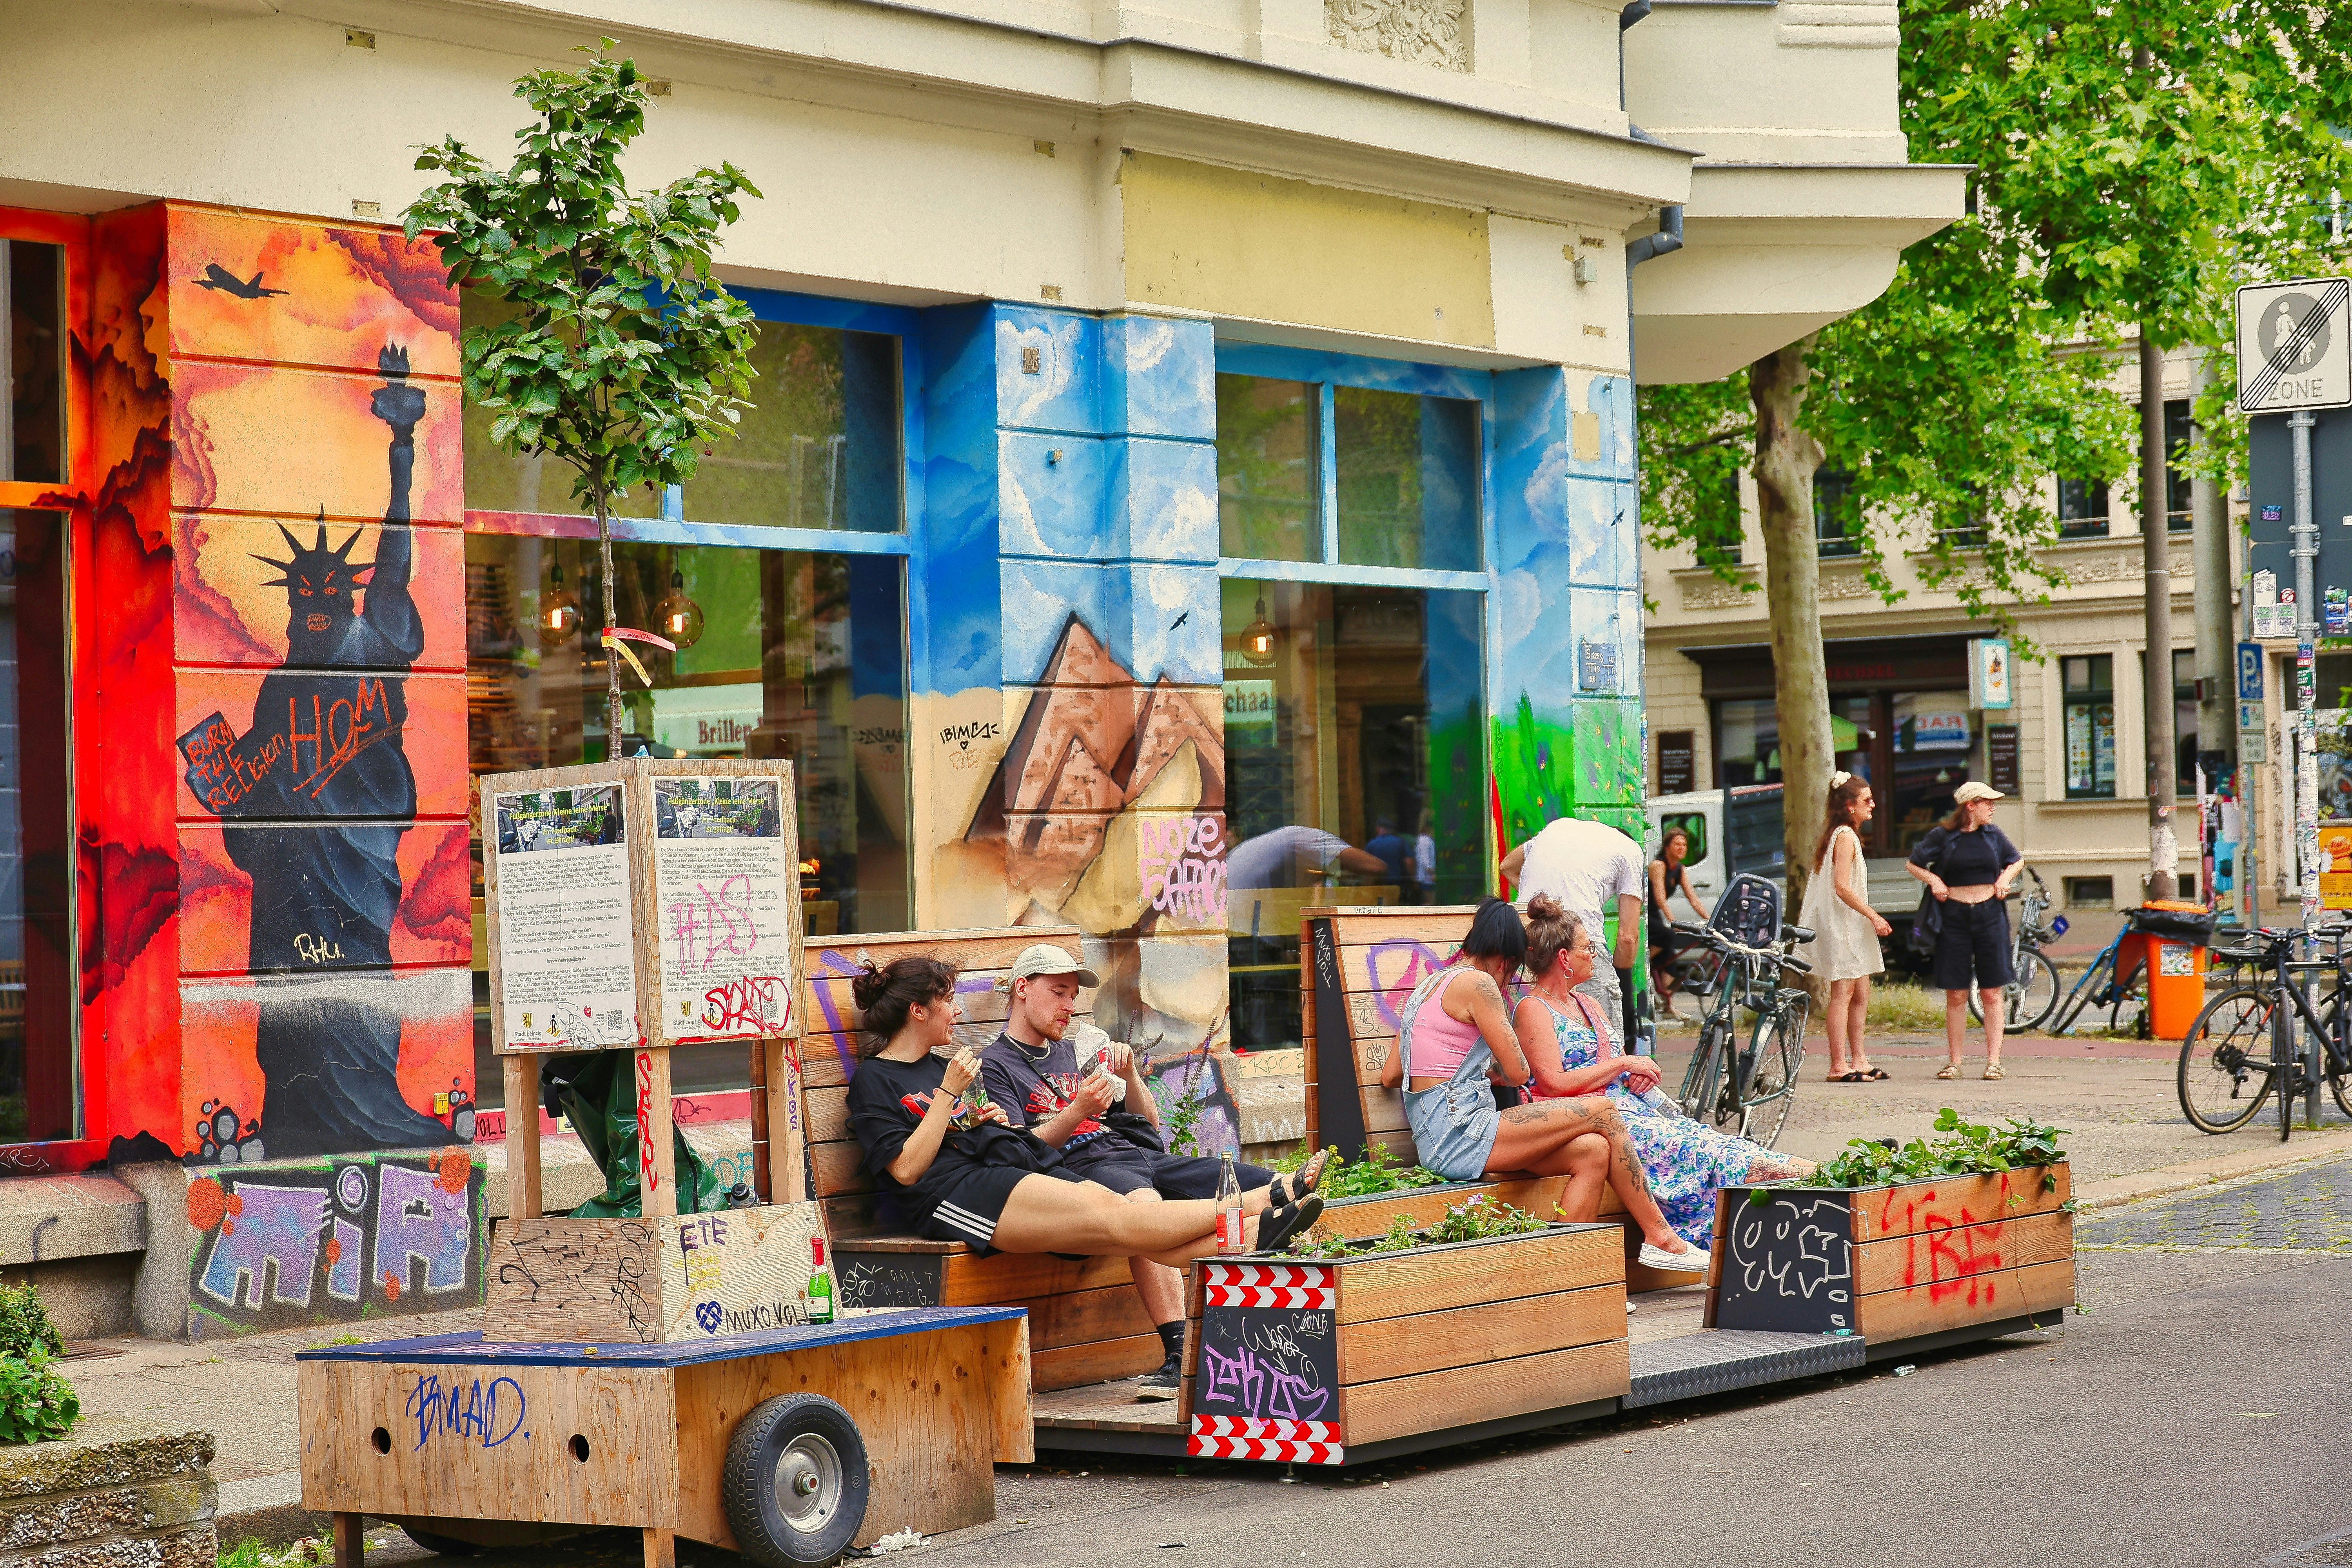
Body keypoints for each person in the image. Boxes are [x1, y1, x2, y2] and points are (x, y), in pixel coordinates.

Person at [843, 956, 1325, 1336]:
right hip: (953, 1198)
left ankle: (1252, 1231)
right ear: (918, 1010)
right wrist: (949, 1097)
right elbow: (905, 1169)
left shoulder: (942, 1067)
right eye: (948, 1000)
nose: (958, 1011)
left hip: (1000, 1176)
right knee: (1127, 1222)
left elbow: (978, 1135)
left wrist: (983, 1122)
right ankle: (1258, 1200)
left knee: (1129, 1227)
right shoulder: (878, 1079)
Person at [978, 944, 1326, 1399]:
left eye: (1073, 996)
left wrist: (1132, 1075)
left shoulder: (1078, 1049)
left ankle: (1270, 1343)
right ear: (1022, 989)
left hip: (1137, 1154)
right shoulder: (995, 1064)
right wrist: (1080, 1107)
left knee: (1263, 1184)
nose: (1070, 1005)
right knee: (1145, 1209)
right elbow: (1022, 1152)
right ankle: (1179, 1353)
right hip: (1086, 1169)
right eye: (1059, 992)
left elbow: (1152, 1125)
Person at [1375, 897, 1708, 1273]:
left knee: (1593, 1151)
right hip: (1462, 1133)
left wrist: (1474, 1071)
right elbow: (1519, 1073)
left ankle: (1571, 1277)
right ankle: (1661, 1236)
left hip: (1439, 1136)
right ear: (1507, 960)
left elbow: (1391, 1074)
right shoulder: (1480, 984)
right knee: (1603, 1110)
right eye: (1513, 971)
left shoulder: (1429, 985)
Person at [1515, 896, 1814, 1249]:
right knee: (1704, 1151)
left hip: (1629, 1109)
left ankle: (1817, 1176)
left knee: (1717, 1142)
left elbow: (1611, 1062)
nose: (1595, 953)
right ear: (1564, 958)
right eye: (1589, 947)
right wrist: (1624, 1064)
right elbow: (1553, 1083)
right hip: (1591, 1119)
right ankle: (1816, 1178)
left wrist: (1635, 1073)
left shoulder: (1588, 1002)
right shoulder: (1533, 1009)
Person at [1906, 781, 2025, 1081]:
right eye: (1988, 803)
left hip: (1990, 915)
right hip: (1954, 917)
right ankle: (1955, 1062)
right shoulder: (1944, 836)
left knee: (1991, 991)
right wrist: (1934, 881)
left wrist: (2004, 878)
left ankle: (1994, 1061)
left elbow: (2016, 860)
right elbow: (1915, 863)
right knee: (1956, 993)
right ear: (1971, 805)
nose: (1993, 808)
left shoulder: (1993, 835)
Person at [1501, 814, 1646, 1050]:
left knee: (1533, 1041)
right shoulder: (1630, 850)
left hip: (1529, 939)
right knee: (1604, 1047)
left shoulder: (1557, 829)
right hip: (1578, 942)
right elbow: (1628, 938)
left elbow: (1507, 867)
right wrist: (1622, 986)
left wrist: (1547, 907)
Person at [1797, 772, 1894, 1082]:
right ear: (1850, 806)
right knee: (1843, 992)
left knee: (1861, 992)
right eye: (1867, 800)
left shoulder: (1842, 835)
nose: (1874, 805)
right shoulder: (1845, 836)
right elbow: (1841, 887)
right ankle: (1838, 1065)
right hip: (1844, 926)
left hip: (1850, 924)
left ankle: (1860, 1059)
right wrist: (1874, 915)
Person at [1646, 827, 1709, 1015]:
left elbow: (1693, 898)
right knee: (1667, 936)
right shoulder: (1659, 865)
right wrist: (1674, 922)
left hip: (1655, 914)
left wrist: (1709, 920)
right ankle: (1642, 965)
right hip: (1644, 914)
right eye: (1677, 844)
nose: (1682, 848)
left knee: (1671, 961)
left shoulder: (1680, 870)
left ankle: (1665, 1003)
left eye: (1684, 845)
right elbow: (1660, 898)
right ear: (1667, 847)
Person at [1364, 817, 1409, 884]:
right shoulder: (1400, 842)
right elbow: (1409, 862)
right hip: (1398, 882)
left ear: (1378, 829)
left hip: (1379, 883)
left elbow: (1366, 865)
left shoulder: (1371, 844)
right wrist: (1412, 880)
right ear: (1391, 830)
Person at [1411, 811, 1437, 905]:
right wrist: (1433, 873)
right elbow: (1426, 863)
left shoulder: (1428, 840)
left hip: (1430, 879)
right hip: (1428, 879)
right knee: (1429, 904)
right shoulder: (1424, 840)